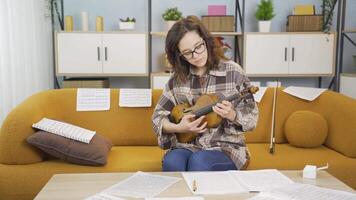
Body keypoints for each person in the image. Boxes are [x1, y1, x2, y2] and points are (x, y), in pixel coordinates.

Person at [151, 16, 258, 171]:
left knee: (199, 161)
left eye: (198, 46)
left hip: (226, 148)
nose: (196, 56)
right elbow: (157, 118)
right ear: (179, 55)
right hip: (187, 146)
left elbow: (252, 117)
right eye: (187, 53)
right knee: (172, 162)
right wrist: (179, 128)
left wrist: (232, 115)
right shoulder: (176, 80)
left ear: (206, 40)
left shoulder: (233, 71)